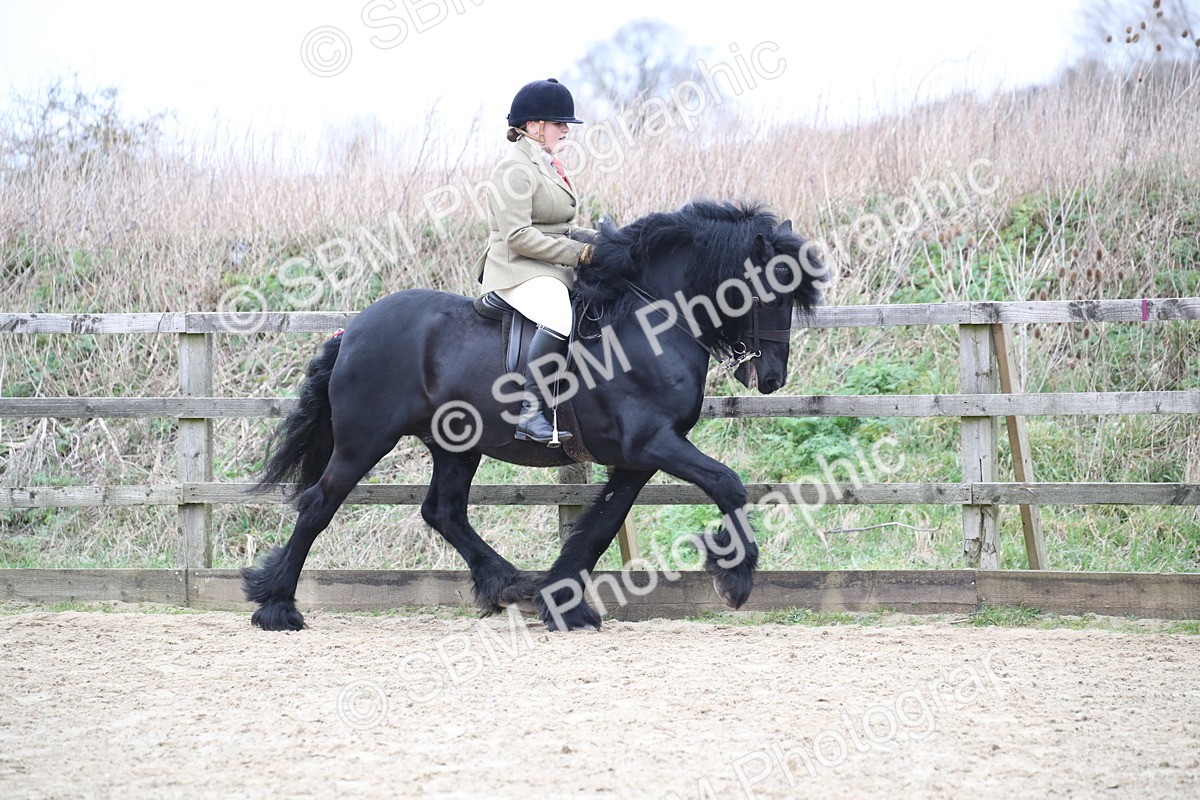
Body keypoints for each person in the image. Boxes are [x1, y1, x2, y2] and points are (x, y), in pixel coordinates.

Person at [473, 78, 597, 446]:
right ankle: (530, 412)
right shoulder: (513, 168)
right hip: (516, 267)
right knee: (559, 316)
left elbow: (563, 226)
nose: (565, 130)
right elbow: (517, 236)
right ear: (533, 126)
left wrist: (606, 242)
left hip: (546, 265)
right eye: (559, 123)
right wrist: (580, 254)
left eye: (565, 124)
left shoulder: (547, 163)